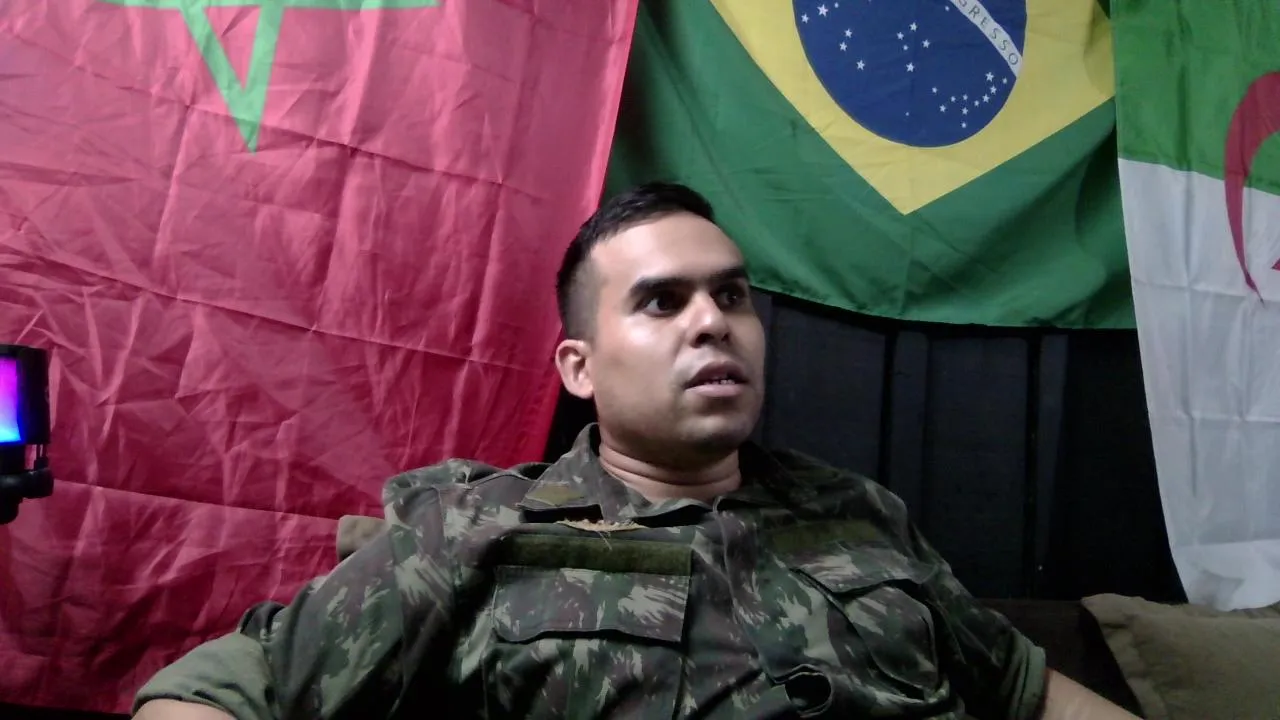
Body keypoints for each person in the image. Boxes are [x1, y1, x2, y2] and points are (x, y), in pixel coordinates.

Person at [133, 183, 1137, 719]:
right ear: (578, 367)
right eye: (662, 302)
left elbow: (1025, 692)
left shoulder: (861, 516)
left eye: (731, 295)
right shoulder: (475, 530)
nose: (713, 322)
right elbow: (222, 688)